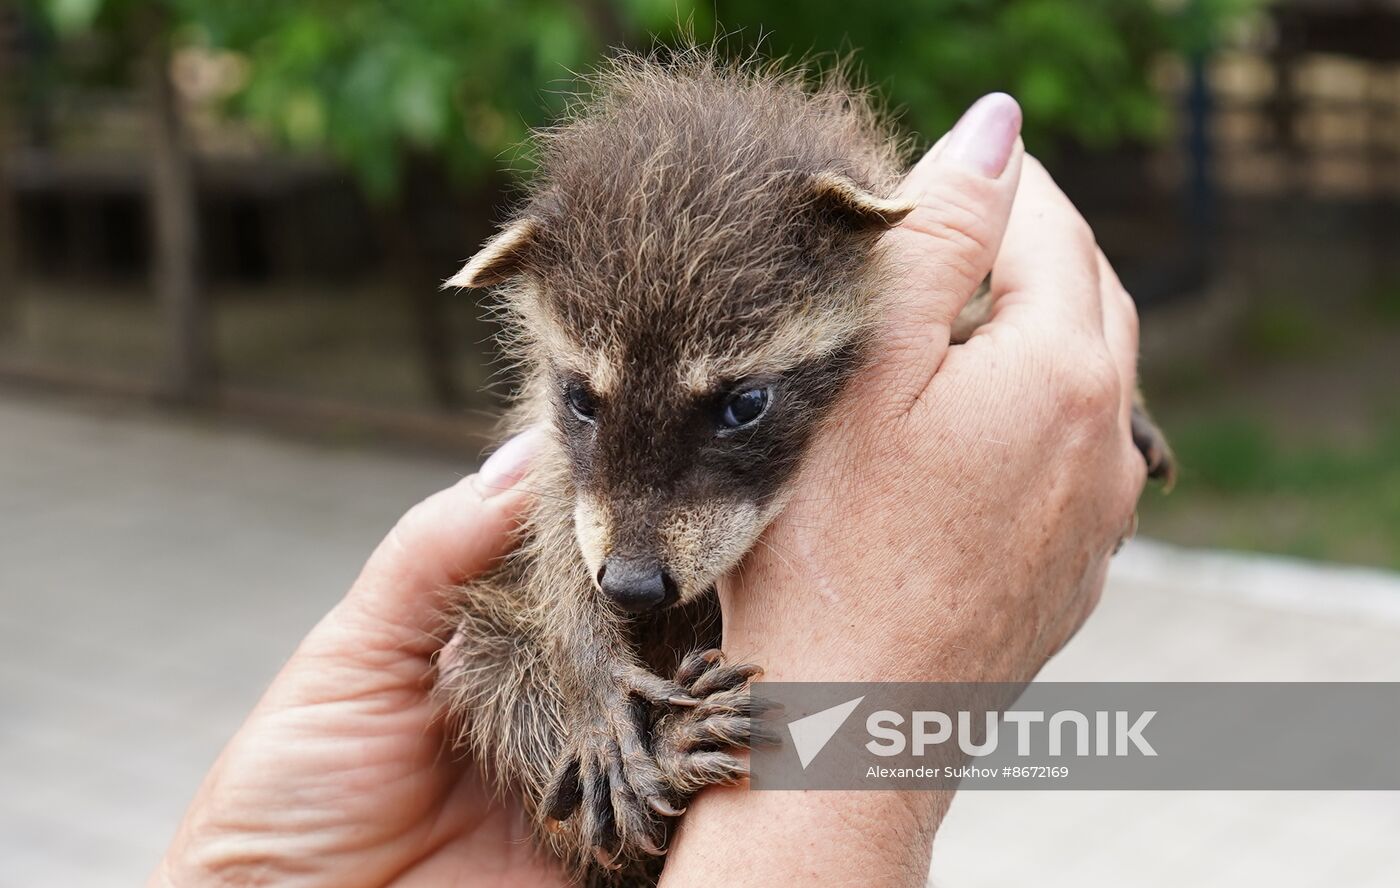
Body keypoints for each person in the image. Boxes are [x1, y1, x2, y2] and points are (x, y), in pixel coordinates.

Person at [150, 93, 1146, 888]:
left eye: (737, 408)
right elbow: (561, 585)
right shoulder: (588, 478)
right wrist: (599, 705)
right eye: (582, 401)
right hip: (593, 770)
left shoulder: (863, 286)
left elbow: (967, 359)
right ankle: (637, 760)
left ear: (855, 242)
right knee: (493, 647)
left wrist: (1089, 402)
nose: (632, 552)